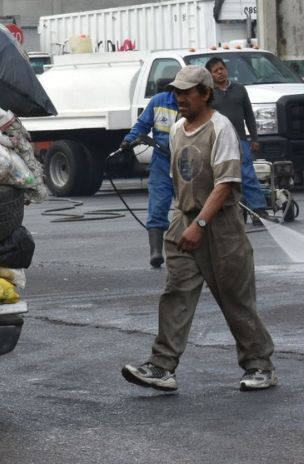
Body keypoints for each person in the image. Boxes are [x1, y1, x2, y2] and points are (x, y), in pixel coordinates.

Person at [121, 65, 277, 393]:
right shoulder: (177, 129)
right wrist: (182, 222)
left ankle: (259, 365)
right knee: (176, 292)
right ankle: (162, 366)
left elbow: (224, 186)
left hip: (220, 228)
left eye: (187, 92)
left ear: (205, 94)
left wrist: (200, 224)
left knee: (235, 299)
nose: (180, 98)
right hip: (184, 221)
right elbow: (181, 178)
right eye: (177, 92)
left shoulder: (221, 130)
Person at [204, 57, 270, 226]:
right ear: (210, 75)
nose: (220, 72)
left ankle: (259, 209)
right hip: (218, 142)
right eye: (215, 71)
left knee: (247, 174)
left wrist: (254, 138)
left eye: (222, 68)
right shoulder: (208, 93)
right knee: (222, 177)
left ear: (226, 69)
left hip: (240, 139)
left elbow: (249, 114)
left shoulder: (239, 89)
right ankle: (227, 211)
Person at [121, 88, 180, 268]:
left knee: (190, 205)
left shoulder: (196, 103)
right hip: (162, 160)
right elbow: (142, 125)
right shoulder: (159, 101)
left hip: (187, 160)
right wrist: (128, 140)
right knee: (158, 204)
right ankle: (155, 251)